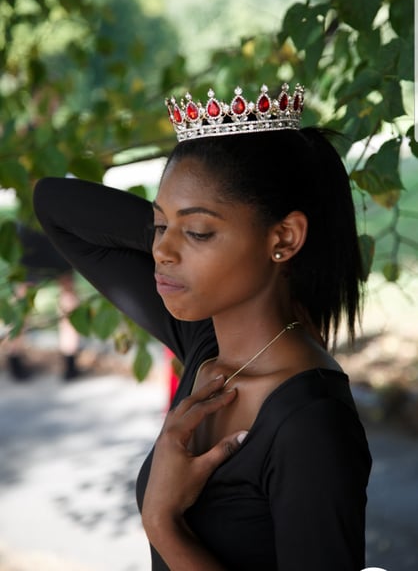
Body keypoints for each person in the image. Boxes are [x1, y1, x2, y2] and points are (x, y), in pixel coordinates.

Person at [33, 82, 372, 570]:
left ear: (285, 237)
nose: (161, 251)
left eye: (198, 232)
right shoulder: (208, 342)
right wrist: (179, 230)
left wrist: (163, 524)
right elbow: (54, 203)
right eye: (157, 227)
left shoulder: (311, 425)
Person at [6, 224, 81, 381]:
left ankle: (14, 357)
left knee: (23, 296)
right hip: (53, 228)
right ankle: (70, 361)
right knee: (67, 292)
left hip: (33, 230)